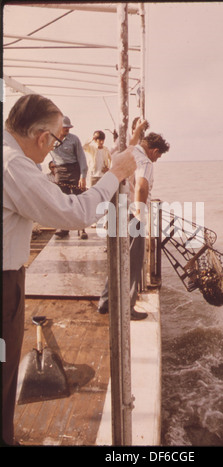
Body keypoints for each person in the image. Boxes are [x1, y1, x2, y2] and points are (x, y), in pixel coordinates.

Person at [2, 93, 136, 445]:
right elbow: (75, 213)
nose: (52, 152)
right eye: (54, 142)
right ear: (42, 138)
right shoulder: (12, 164)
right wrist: (115, 174)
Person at [97, 132, 170, 321]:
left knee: (116, 258)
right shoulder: (144, 162)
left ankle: (105, 301)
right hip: (131, 214)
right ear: (154, 151)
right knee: (132, 262)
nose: (156, 160)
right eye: (158, 156)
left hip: (114, 210)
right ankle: (127, 307)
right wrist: (140, 217)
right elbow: (141, 187)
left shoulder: (126, 152)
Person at [50, 115, 89, 239]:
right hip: (59, 171)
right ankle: (64, 228)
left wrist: (82, 176)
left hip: (74, 169)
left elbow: (82, 158)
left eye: (68, 128)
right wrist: (51, 165)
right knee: (61, 199)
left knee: (78, 200)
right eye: (65, 128)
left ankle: (81, 229)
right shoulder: (50, 139)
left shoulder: (74, 139)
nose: (67, 130)